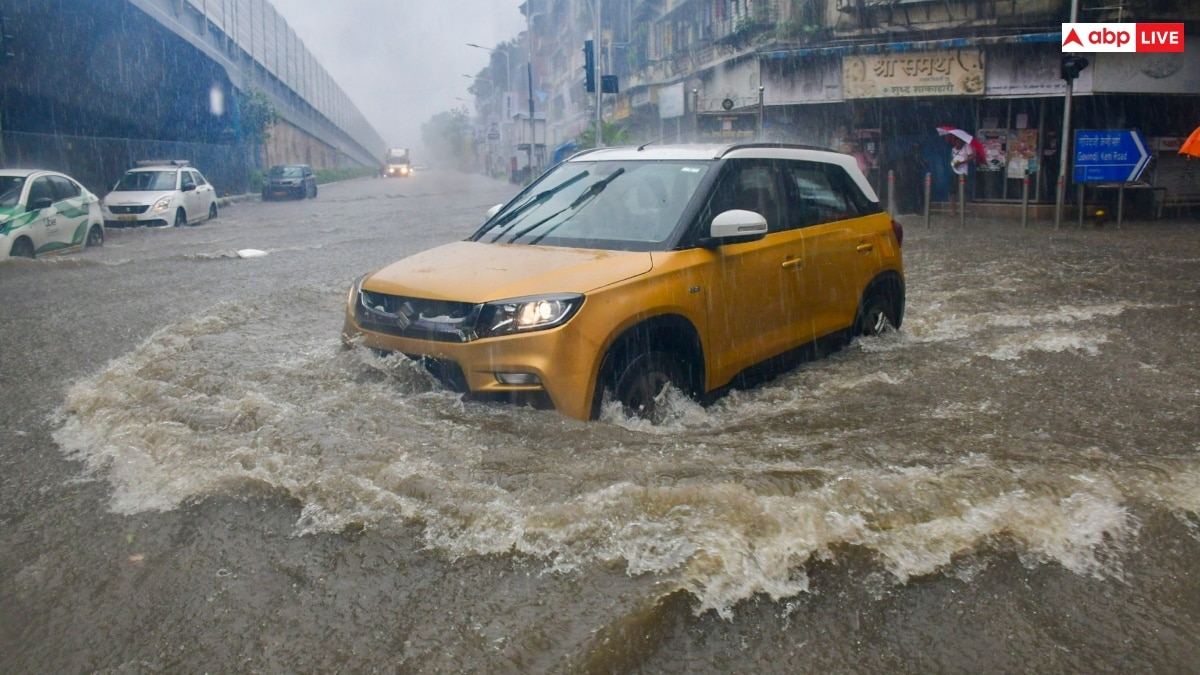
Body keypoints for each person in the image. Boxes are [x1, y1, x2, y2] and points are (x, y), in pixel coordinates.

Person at [949, 137, 975, 215]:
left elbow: (971, 156)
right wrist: (954, 162)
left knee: (962, 191)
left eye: (958, 141)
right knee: (952, 191)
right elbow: (951, 158)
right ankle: (953, 210)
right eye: (956, 141)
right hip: (954, 171)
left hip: (962, 172)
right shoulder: (953, 148)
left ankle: (962, 210)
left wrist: (962, 162)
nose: (957, 142)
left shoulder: (966, 147)